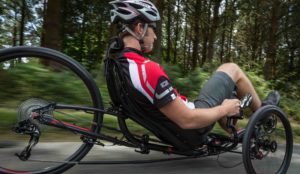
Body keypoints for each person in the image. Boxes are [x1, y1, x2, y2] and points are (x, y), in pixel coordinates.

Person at [109, 0, 280, 147]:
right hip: (193, 128)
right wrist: (224, 109)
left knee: (224, 90)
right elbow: (187, 120)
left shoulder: (118, 64)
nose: (154, 37)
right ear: (139, 28)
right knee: (231, 68)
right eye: (153, 29)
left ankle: (236, 131)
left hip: (174, 131)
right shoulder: (147, 69)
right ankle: (266, 115)